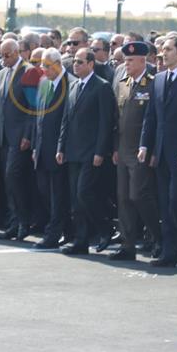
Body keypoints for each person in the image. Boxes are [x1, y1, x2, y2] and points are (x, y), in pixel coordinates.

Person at [139, 35, 177, 268]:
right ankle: (169, 250)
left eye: (169, 49)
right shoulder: (159, 79)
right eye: (163, 49)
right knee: (164, 203)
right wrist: (146, 144)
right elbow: (151, 116)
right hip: (161, 152)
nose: (164, 53)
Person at [56, 47, 115, 254]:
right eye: (75, 61)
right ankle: (81, 241)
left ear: (91, 64)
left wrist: (100, 151)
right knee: (75, 199)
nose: (76, 65)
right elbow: (66, 119)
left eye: (80, 62)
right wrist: (61, 146)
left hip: (91, 151)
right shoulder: (73, 86)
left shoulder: (102, 87)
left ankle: (105, 228)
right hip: (73, 150)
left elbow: (105, 123)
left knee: (84, 194)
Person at [110, 42, 161, 261]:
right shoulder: (123, 83)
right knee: (123, 198)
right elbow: (117, 119)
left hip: (141, 149)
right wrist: (114, 148)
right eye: (125, 60)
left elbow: (155, 120)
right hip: (123, 148)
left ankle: (158, 237)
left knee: (138, 195)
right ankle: (127, 245)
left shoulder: (153, 83)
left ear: (143, 60)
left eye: (131, 60)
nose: (126, 64)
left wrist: (150, 148)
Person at [0, 39, 35, 240]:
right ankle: (14, 222)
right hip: (4, 135)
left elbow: (33, 107)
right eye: (1, 55)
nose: (3, 59)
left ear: (16, 53)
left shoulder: (29, 71)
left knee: (14, 177)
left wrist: (27, 135)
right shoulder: (2, 74)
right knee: (8, 180)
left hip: (20, 135)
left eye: (6, 55)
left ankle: (23, 222)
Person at [31, 47, 73, 249]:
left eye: (47, 66)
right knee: (43, 190)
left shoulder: (70, 84)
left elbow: (68, 121)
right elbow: (37, 116)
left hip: (59, 150)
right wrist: (34, 145)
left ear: (58, 65)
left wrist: (62, 148)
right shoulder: (43, 82)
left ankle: (53, 234)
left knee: (58, 194)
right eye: (41, 65)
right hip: (41, 148)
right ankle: (66, 229)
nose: (43, 70)